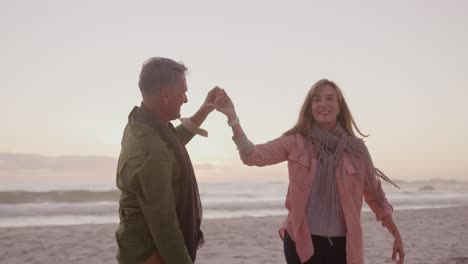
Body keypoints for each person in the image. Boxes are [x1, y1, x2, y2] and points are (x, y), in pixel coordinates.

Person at [215, 79, 405, 264]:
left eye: (330, 98)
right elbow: (252, 155)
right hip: (302, 241)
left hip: (343, 246)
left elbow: (376, 196)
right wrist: (233, 118)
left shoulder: (356, 149)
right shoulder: (296, 141)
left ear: (339, 107)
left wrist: (396, 234)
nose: (323, 104)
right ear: (310, 107)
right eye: (317, 99)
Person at [115, 57, 220, 264]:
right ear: (165, 94)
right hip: (149, 255)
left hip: (137, 246)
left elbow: (171, 144)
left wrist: (204, 110)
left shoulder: (141, 123)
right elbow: (165, 226)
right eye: (183, 92)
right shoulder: (150, 150)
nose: (185, 99)